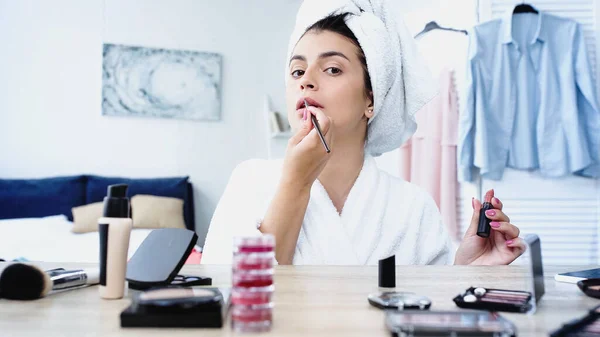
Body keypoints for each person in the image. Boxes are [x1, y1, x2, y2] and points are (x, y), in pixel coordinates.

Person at [202, 1, 525, 265]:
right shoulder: (250, 180)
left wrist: (465, 275)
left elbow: (424, 315)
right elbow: (230, 300)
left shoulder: (412, 206)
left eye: (332, 69)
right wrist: (295, 182)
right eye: (297, 70)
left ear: (372, 99)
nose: (306, 81)